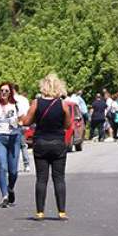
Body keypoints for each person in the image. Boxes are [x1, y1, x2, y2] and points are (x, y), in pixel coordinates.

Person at [21, 73, 73, 221]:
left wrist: (23, 118)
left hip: (41, 143)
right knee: (59, 178)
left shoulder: (36, 103)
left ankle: (40, 212)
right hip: (58, 143)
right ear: (58, 87)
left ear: (43, 87)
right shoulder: (62, 104)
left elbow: (26, 121)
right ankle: (61, 211)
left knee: (41, 179)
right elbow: (68, 124)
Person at [12, 84, 32, 172]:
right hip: (24, 123)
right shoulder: (24, 99)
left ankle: (14, 165)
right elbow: (28, 112)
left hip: (14, 124)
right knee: (23, 145)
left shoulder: (11, 100)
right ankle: (26, 164)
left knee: (14, 146)